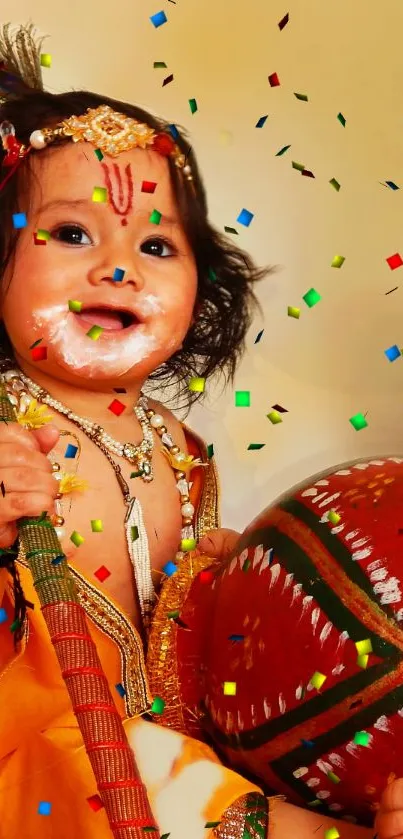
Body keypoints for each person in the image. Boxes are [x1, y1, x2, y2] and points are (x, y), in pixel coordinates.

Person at [0, 22, 380, 839]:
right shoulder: (3, 429)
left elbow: (184, 648)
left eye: (157, 243)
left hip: (177, 750)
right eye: (71, 233)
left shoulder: (181, 450)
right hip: (40, 765)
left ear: (200, 286)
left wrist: (240, 585)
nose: (118, 265)